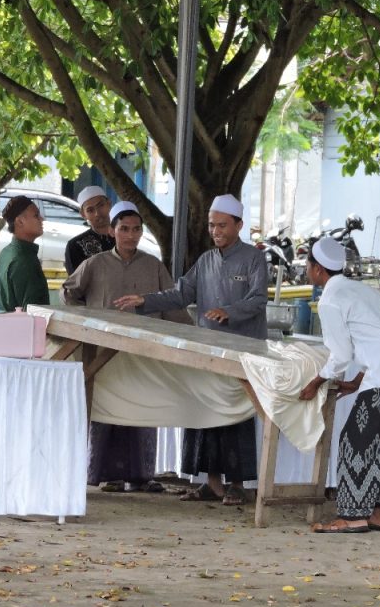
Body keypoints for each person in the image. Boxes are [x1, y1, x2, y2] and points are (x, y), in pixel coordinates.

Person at [114, 194, 268, 506]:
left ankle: (237, 484)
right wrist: (146, 301)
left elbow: (258, 299)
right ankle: (211, 483)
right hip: (208, 351)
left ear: (239, 225)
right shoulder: (207, 260)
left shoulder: (254, 258)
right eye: (212, 225)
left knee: (236, 416)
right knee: (206, 412)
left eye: (222, 225)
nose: (216, 231)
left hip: (242, 353)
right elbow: (181, 294)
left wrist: (228, 311)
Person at [62, 201, 190, 493]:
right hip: (104, 357)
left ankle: (142, 476)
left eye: (136, 230)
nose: (130, 235)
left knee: (142, 412)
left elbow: (172, 305)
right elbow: (69, 292)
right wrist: (88, 319)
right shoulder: (95, 264)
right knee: (107, 412)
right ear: (112, 231)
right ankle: (105, 475)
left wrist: (192, 333)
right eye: (124, 229)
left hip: (143, 354)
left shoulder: (153, 265)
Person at [298, 236, 380, 533]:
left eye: (307, 265)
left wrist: (315, 382)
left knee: (357, 443)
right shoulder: (361, 290)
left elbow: (340, 354)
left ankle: (353, 517)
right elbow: (378, 338)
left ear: (317, 270)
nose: (306, 270)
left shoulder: (330, 299)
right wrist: (356, 381)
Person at [0, 194, 49, 312]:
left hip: (3, 325)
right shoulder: (25, 260)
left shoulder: (7, 252)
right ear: (20, 222)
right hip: (21, 328)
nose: (41, 219)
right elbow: (34, 313)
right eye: (36, 215)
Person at [64, 185, 114, 274]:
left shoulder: (123, 237)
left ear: (109, 204)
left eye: (101, 205)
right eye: (90, 210)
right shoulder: (75, 245)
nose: (97, 213)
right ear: (83, 214)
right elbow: (76, 282)